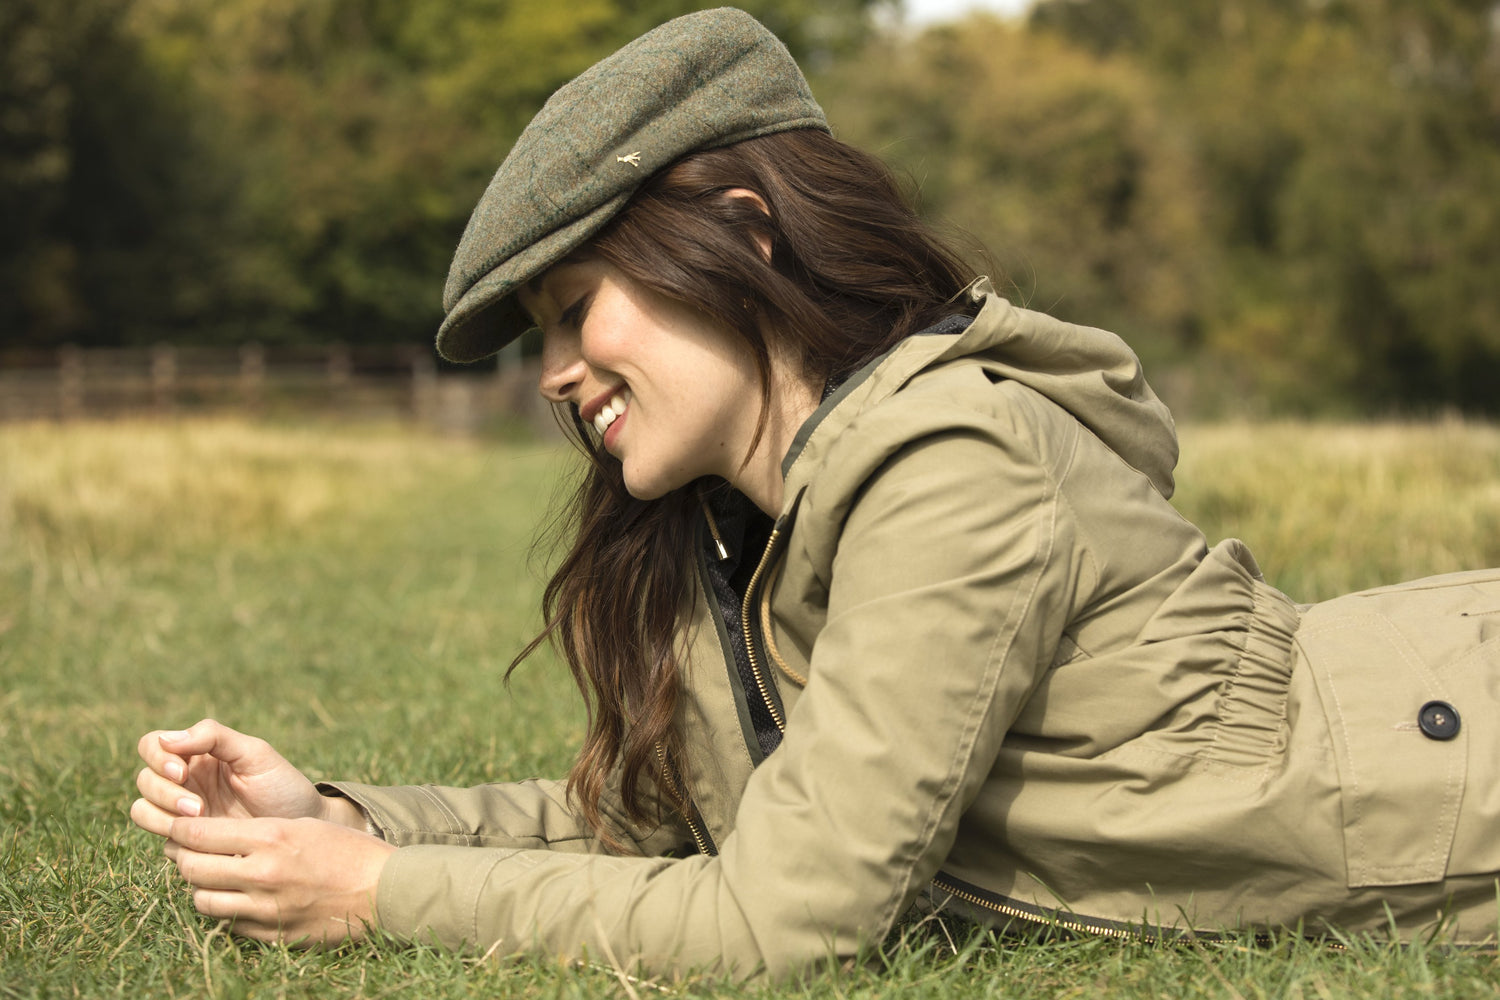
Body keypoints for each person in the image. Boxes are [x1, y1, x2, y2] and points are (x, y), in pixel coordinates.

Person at [129, 7, 1500, 981]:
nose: (551, 374)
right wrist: (349, 820)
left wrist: (372, 898)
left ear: (741, 234)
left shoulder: (946, 466)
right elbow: (667, 823)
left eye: (573, 310)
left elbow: (787, 918)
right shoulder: (743, 532)